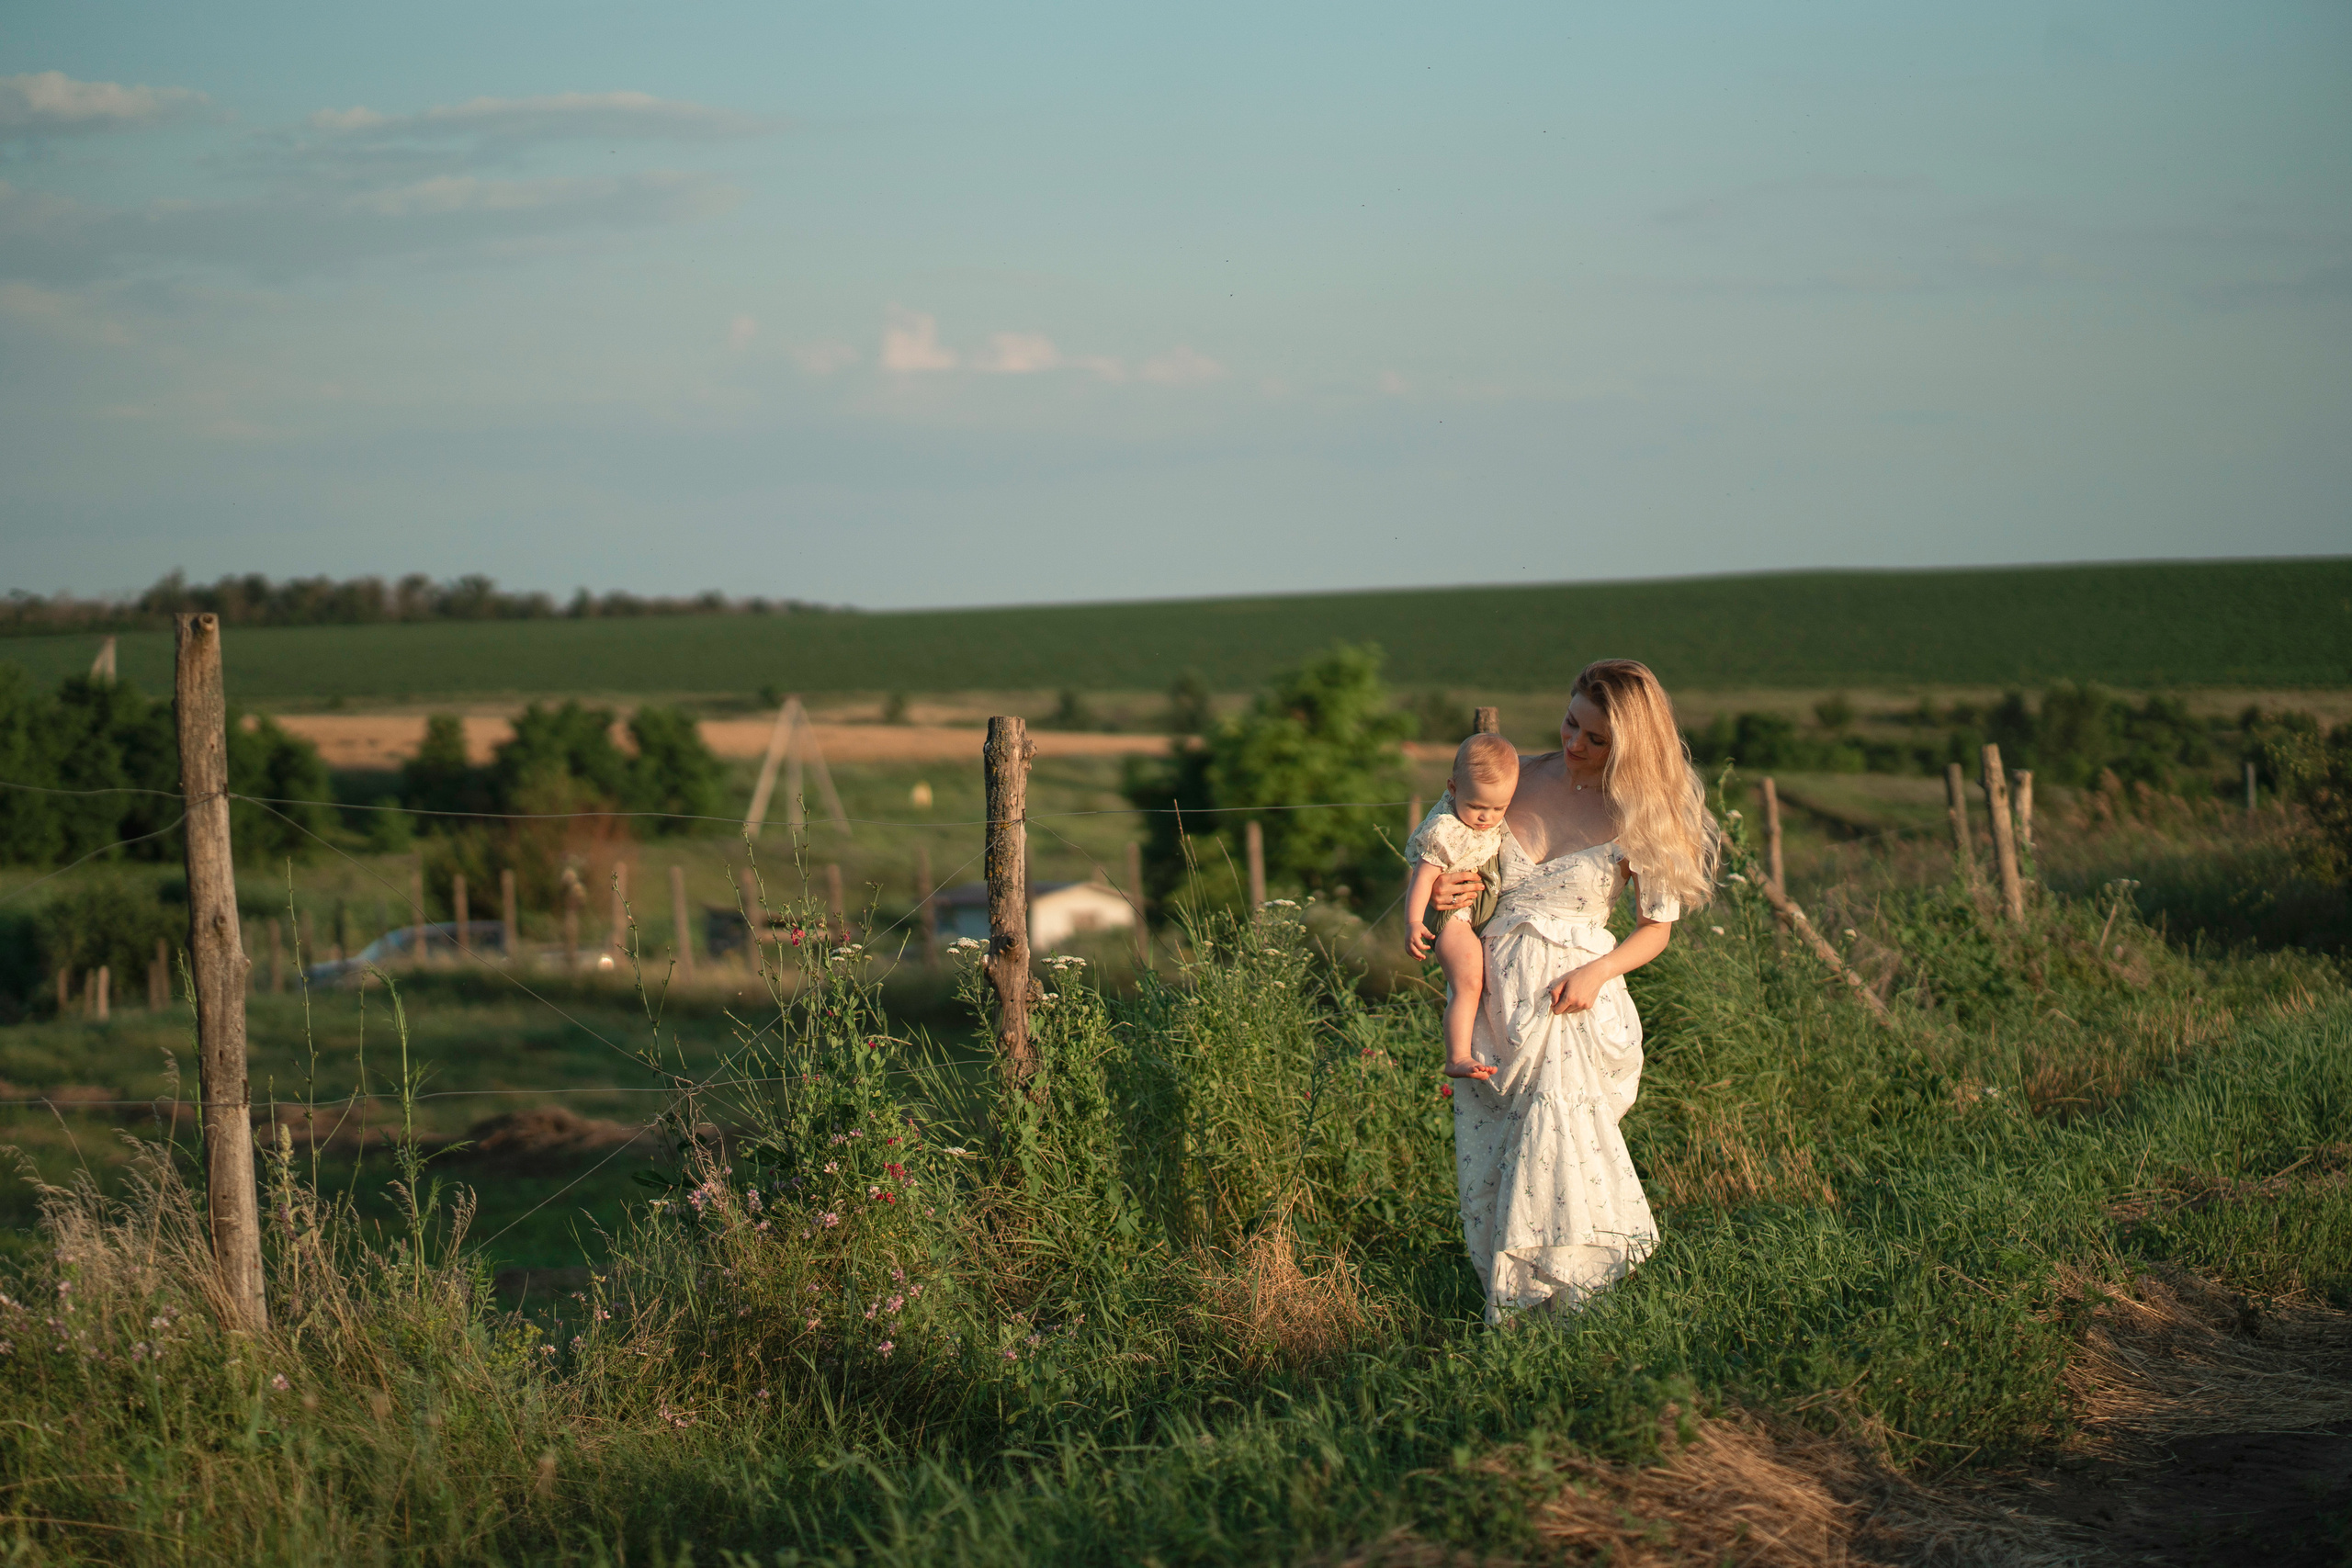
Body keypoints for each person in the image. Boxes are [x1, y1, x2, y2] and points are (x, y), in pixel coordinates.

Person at [1426, 660, 1718, 1321]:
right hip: (1493, 1000)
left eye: (1596, 738)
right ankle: (1516, 1305)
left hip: (1571, 1000)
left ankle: (1573, 1305)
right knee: (1496, 1157)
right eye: (1570, 723)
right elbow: (1436, 858)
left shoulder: (1640, 813)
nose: (1574, 743)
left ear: (1631, 746)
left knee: (1557, 1139)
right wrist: (1441, 890)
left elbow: (1655, 929)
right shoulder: (1511, 779)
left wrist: (1598, 971)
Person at [1403, 733, 1519, 1080]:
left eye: (1498, 809)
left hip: (1474, 914)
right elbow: (1423, 878)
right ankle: (1457, 1056)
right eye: (1477, 807)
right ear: (1452, 789)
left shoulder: (1484, 812)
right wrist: (1413, 923)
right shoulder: (1448, 830)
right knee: (1468, 981)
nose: (1486, 817)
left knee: (1482, 981)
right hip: (1454, 917)